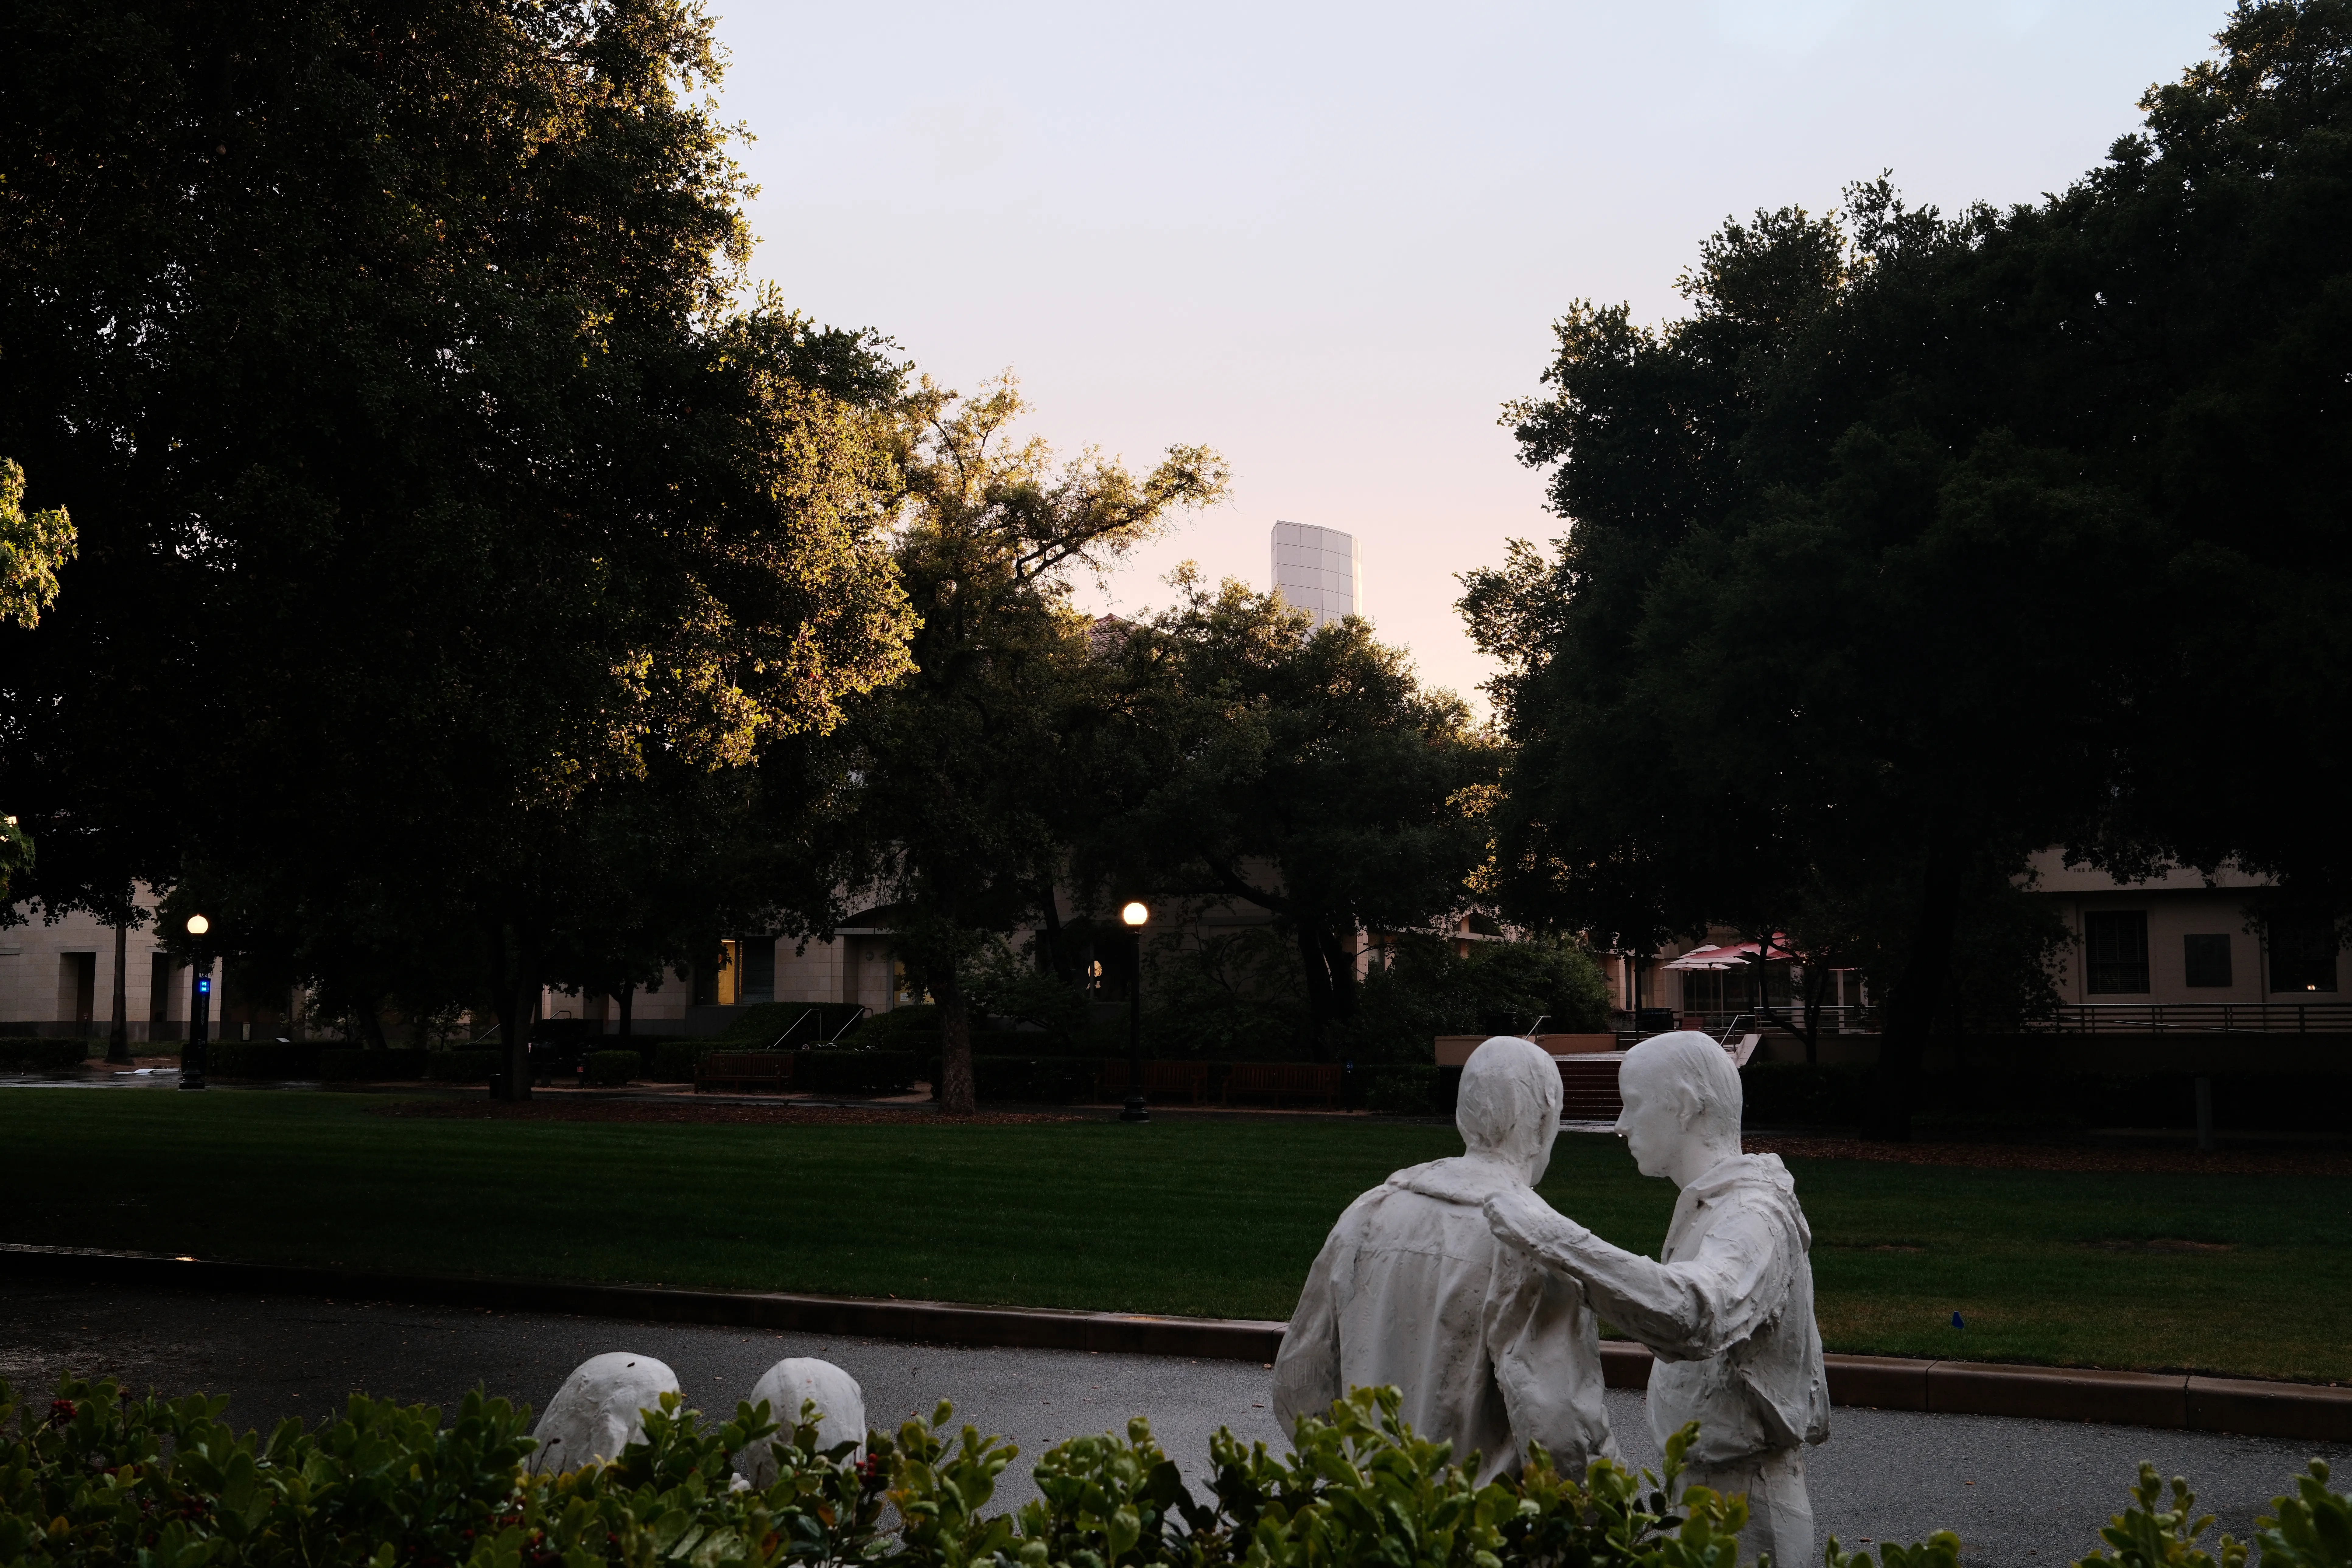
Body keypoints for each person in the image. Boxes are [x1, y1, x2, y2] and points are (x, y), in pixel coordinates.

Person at [1483, 1031, 1828, 1567]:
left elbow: (1694, 1316)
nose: (1621, 1124)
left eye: (1634, 1105)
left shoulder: (1752, 1219)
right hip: (1708, 1493)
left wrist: (1554, 1238)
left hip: (1748, 1507)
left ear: (1687, 1106)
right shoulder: (1713, 1208)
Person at [1271, 1034, 1614, 1483]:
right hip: (1478, 1532)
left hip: (1371, 1513)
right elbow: (1561, 1431)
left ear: (1461, 1115)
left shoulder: (1368, 1214)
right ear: (1546, 1119)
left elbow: (1299, 1380)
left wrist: (1351, 1475)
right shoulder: (1535, 1246)